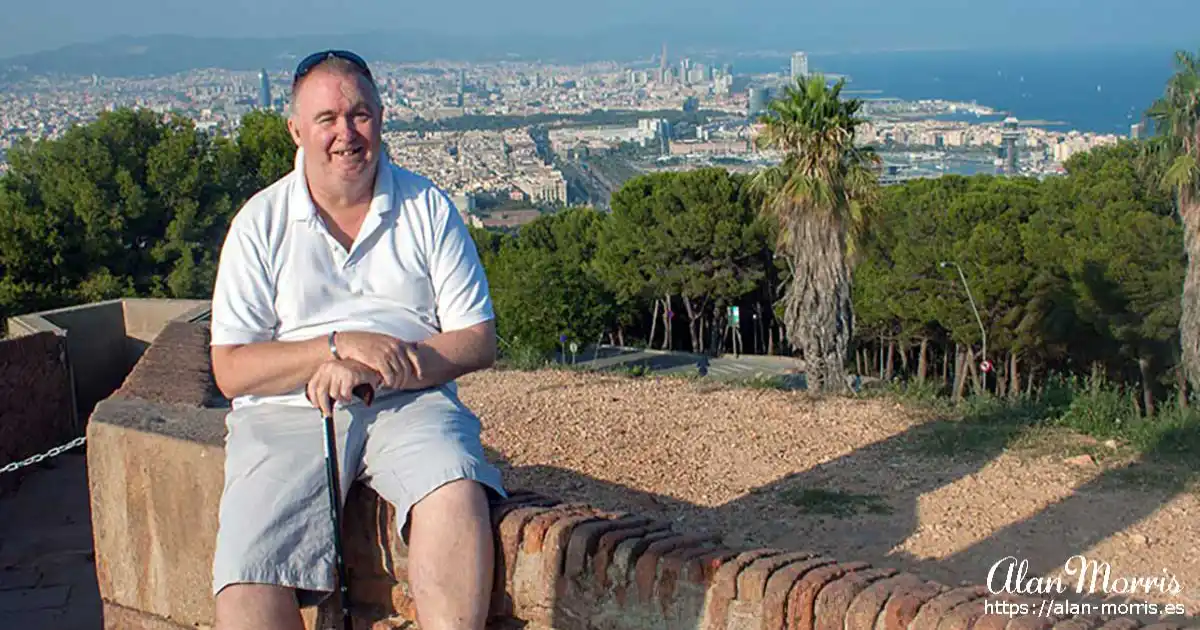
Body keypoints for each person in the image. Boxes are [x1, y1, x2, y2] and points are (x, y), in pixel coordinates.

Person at [207, 50, 506, 630]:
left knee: (453, 488)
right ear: (296, 129)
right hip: (285, 413)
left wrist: (386, 366)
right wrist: (334, 348)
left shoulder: (428, 208)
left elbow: (478, 339)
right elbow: (232, 370)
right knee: (250, 573)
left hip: (411, 401)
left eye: (360, 115)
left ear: (381, 118)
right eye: (327, 119)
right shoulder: (259, 223)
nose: (346, 133)